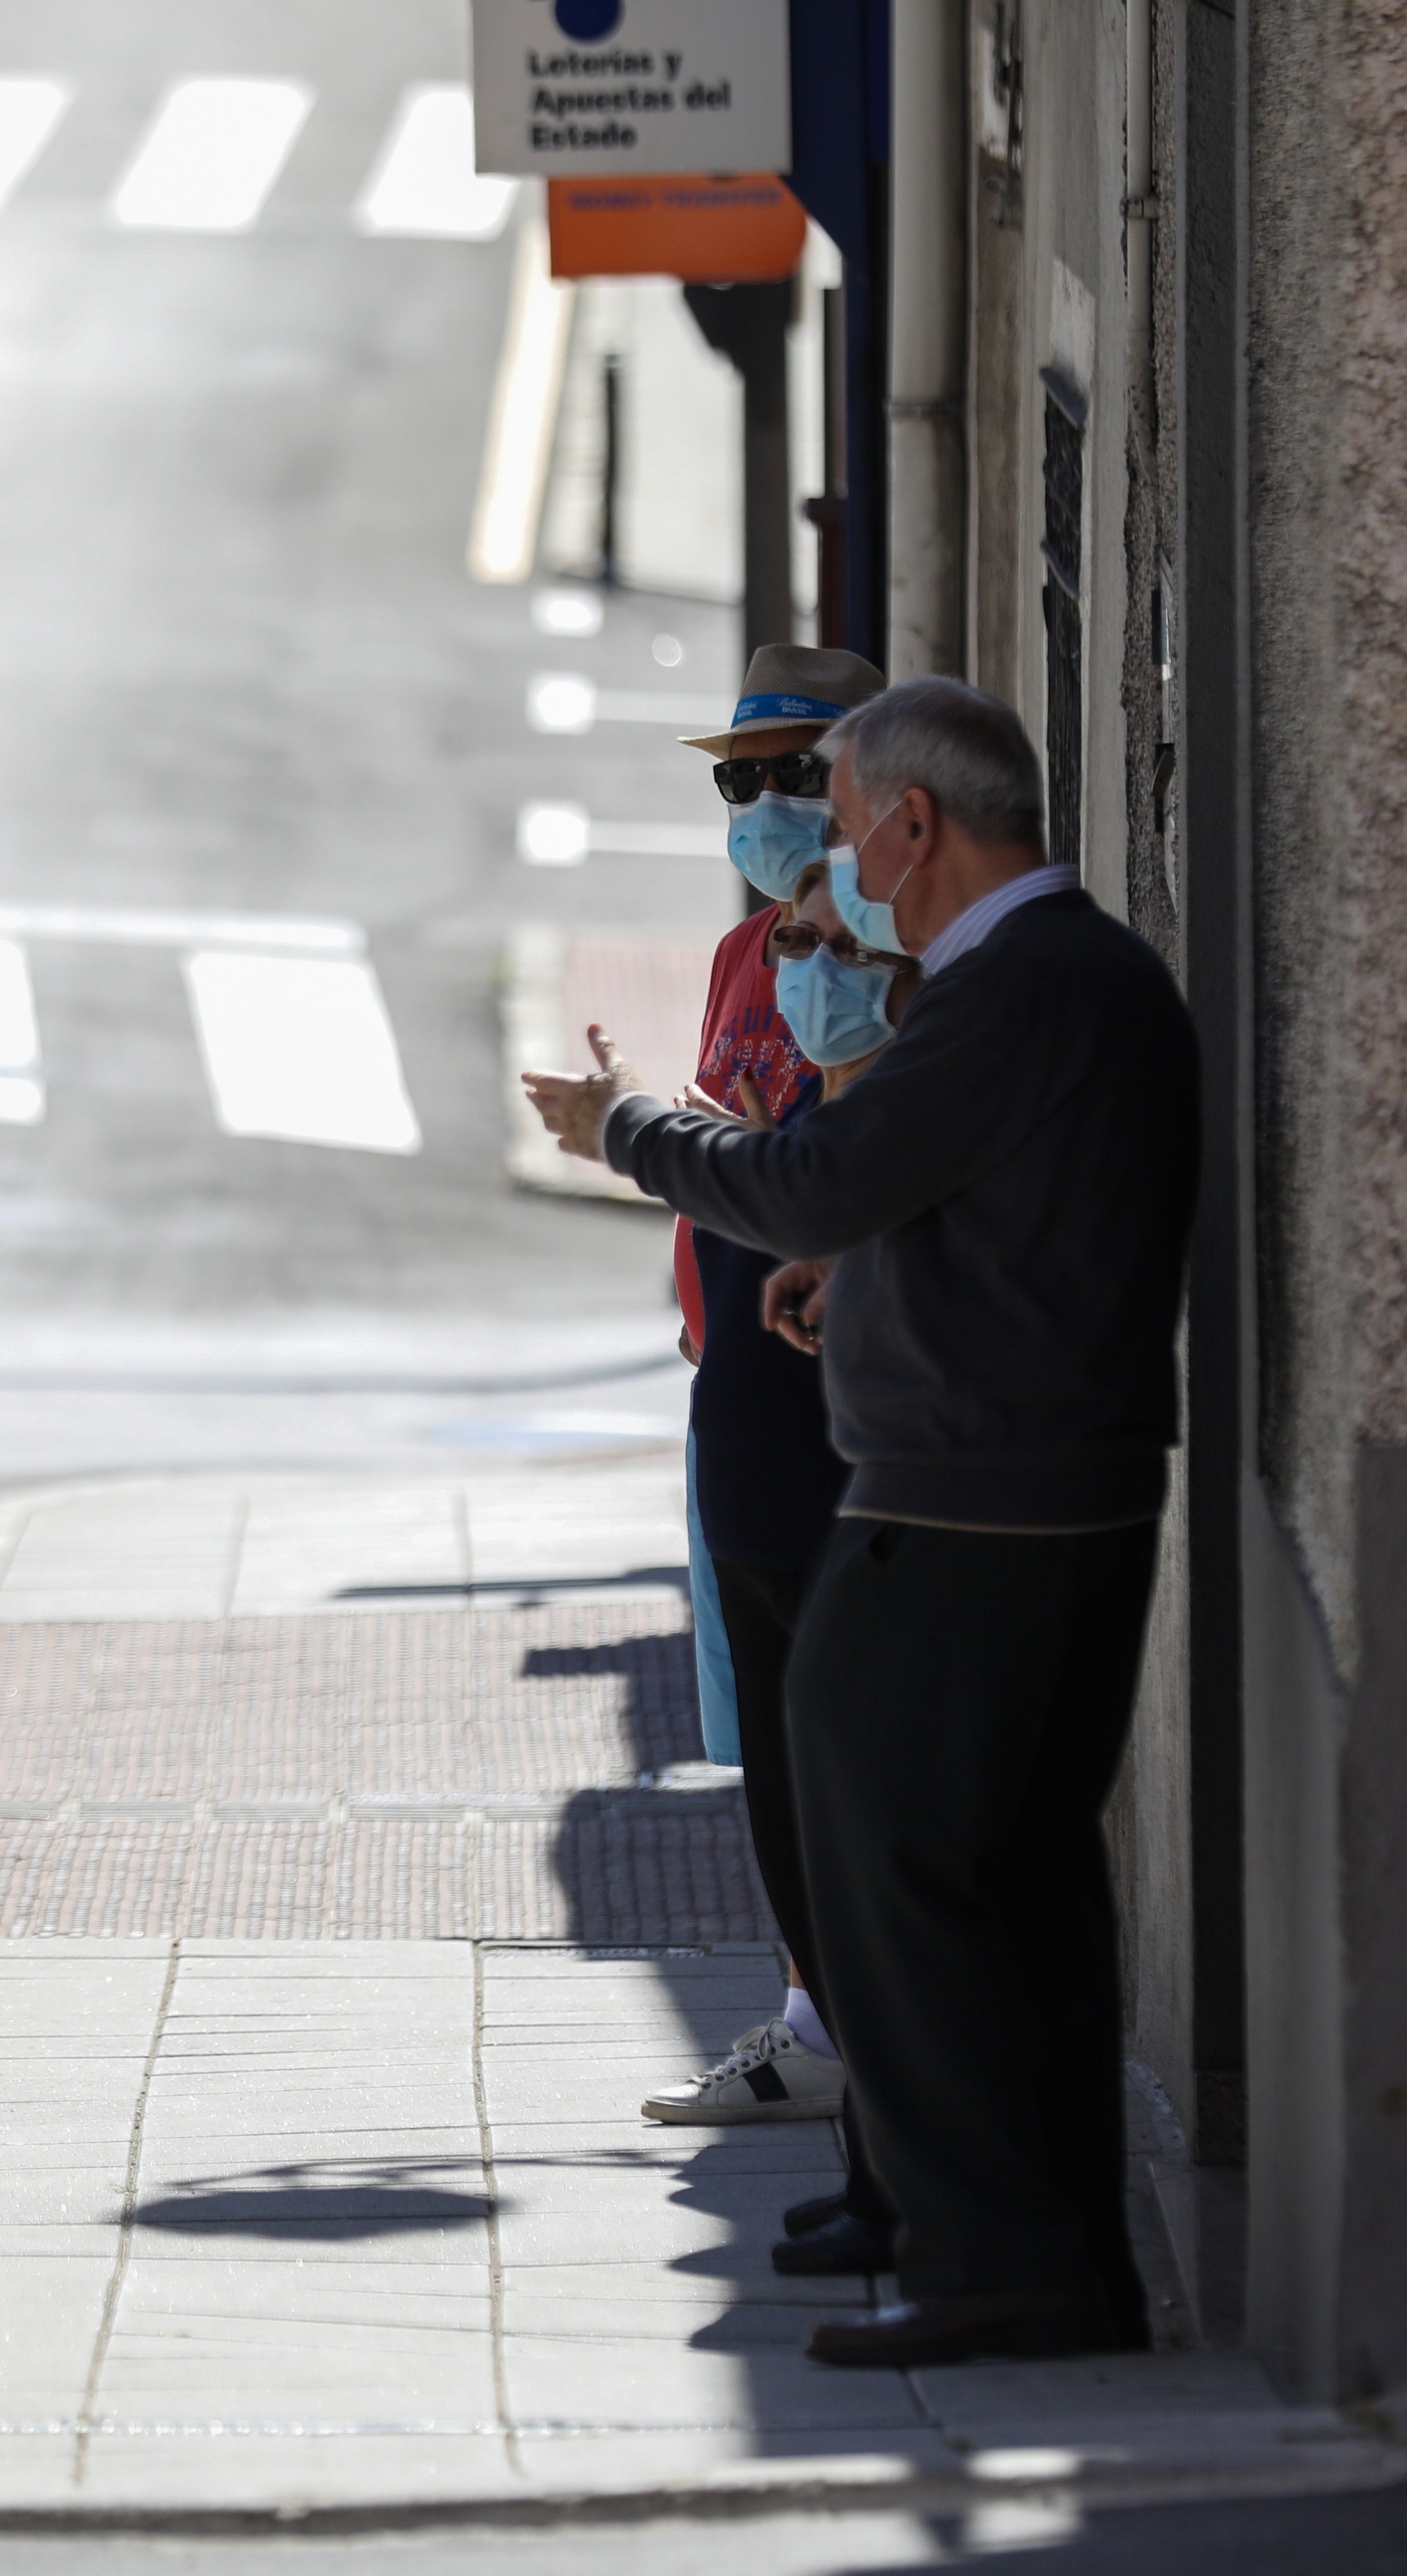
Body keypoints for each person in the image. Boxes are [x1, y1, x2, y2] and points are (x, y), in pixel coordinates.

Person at [521, 677, 1198, 2368]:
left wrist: (622, 1127)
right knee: (999, 1878)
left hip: (970, 1506)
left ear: (913, 821)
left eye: (838, 812)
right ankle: (1033, 2250)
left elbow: (816, 1176)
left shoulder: (1012, 983)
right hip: (1030, 1488)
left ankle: (996, 2258)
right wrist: (875, 1271)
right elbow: (975, 1213)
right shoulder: (1062, 979)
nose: (828, 854)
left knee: (902, 1879)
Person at [640, 644, 881, 2139]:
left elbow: (833, 1150)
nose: (764, 802)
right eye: (743, 778)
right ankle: (809, 2012)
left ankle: (844, 2029)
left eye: (797, 772)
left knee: (834, 1729)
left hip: (828, 1394)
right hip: (731, 1373)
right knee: (771, 1741)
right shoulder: (744, 953)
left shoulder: (874, 953)